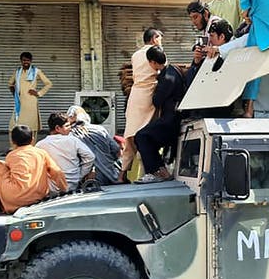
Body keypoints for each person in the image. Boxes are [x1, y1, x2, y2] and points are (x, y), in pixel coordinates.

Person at [0, 125, 68, 214]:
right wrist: (64, 190)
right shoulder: (41, 153)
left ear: (13, 141)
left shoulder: (11, 155)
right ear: (32, 139)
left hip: (13, 198)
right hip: (37, 197)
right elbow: (56, 172)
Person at [135, 46, 185, 183]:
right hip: (173, 119)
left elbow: (157, 101)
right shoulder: (173, 70)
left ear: (152, 63)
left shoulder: (167, 76)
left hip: (171, 121)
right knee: (148, 141)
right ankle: (162, 171)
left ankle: (154, 172)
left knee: (141, 136)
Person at [119, 27, 163, 183]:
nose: (160, 42)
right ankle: (149, 172)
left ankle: (122, 173)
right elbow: (161, 70)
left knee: (130, 135)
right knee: (146, 136)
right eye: (159, 38)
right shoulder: (155, 52)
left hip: (135, 96)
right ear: (153, 39)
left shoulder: (135, 55)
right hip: (148, 95)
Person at [36, 112, 96, 193]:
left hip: (51, 187)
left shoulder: (40, 145)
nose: (70, 128)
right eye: (67, 126)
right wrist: (80, 175)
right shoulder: (73, 140)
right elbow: (90, 157)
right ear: (57, 128)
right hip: (73, 184)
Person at [66, 106, 122, 186]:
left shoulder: (70, 135)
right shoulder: (100, 129)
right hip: (111, 173)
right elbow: (116, 149)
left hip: (88, 177)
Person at [8, 51, 52, 143]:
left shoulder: (36, 71)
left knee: (32, 126)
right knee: (13, 125)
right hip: (19, 102)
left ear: (31, 61)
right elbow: (10, 84)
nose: (26, 62)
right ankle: (14, 147)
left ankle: (31, 147)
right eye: (24, 60)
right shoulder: (17, 72)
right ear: (21, 61)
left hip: (31, 102)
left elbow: (48, 84)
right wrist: (15, 93)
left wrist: (38, 93)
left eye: (28, 60)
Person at [188, 0, 222, 69]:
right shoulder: (206, 27)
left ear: (205, 14)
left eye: (195, 17)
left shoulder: (215, 24)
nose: (193, 21)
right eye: (191, 18)